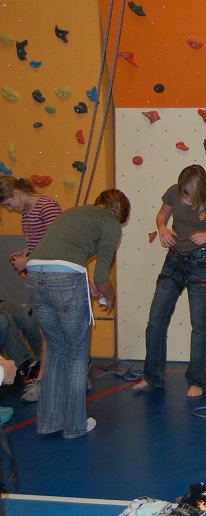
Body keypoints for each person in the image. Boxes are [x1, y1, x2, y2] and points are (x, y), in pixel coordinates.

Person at [25, 188, 130, 438]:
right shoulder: (111, 224)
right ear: (119, 215)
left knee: (55, 349)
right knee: (75, 354)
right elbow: (102, 276)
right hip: (65, 278)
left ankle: (49, 422)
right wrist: (110, 297)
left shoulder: (75, 213)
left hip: (34, 275)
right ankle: (75, 425)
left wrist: (86, 286)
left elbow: (61, 255)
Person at [133, 165, 206, 398]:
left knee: (199, 325)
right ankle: (151, 376)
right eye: (183, 194)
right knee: (155, 321)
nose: (185, 199)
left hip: (200, 265)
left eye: (190, 196)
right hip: (173, 261)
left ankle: (196, 380)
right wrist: (162, 227)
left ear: (201, 192)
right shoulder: (173, 192)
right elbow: (162, 215)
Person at [0, 175, 61, 402]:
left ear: (17, 193)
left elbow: (57, 242)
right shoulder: (27, 213)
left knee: (50, 331)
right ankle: (48, 377)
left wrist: (28, 260)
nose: (9, 209)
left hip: (54, 277)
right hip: (40, 277)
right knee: (46, 330)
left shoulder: (46, 206)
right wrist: (26, 251)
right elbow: (39, 243)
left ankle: (45, 379)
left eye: (8, 204)